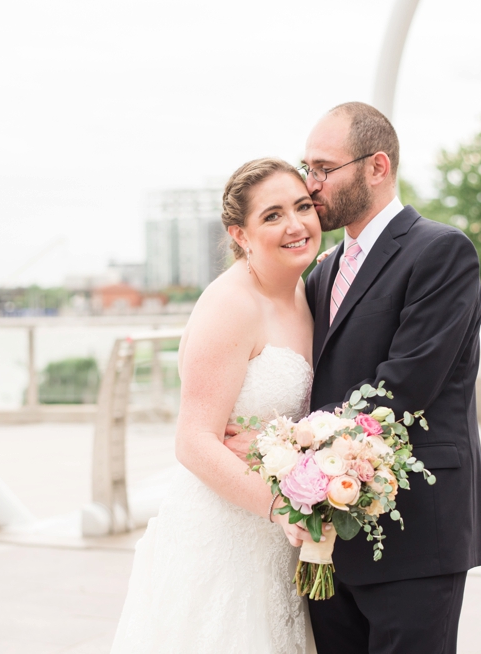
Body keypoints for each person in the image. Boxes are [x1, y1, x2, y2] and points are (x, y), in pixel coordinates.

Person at [299, 101, 481, 653]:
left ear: (377, 166)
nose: (311, 185)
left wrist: (302, 446)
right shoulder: (324, 270)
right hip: (328, 530)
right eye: (307, 168)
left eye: (323, 169)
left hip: (414, 528)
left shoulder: (441, 251)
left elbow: (403, 387)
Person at [110, 158, 322, 654]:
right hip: (224, 532)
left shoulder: (304, 293)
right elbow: (193, 441)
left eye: (303, 206)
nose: (295, 225)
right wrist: (281, 508)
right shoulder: (231, 304)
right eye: (272, 215)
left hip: (276, 540)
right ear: (240, 234)